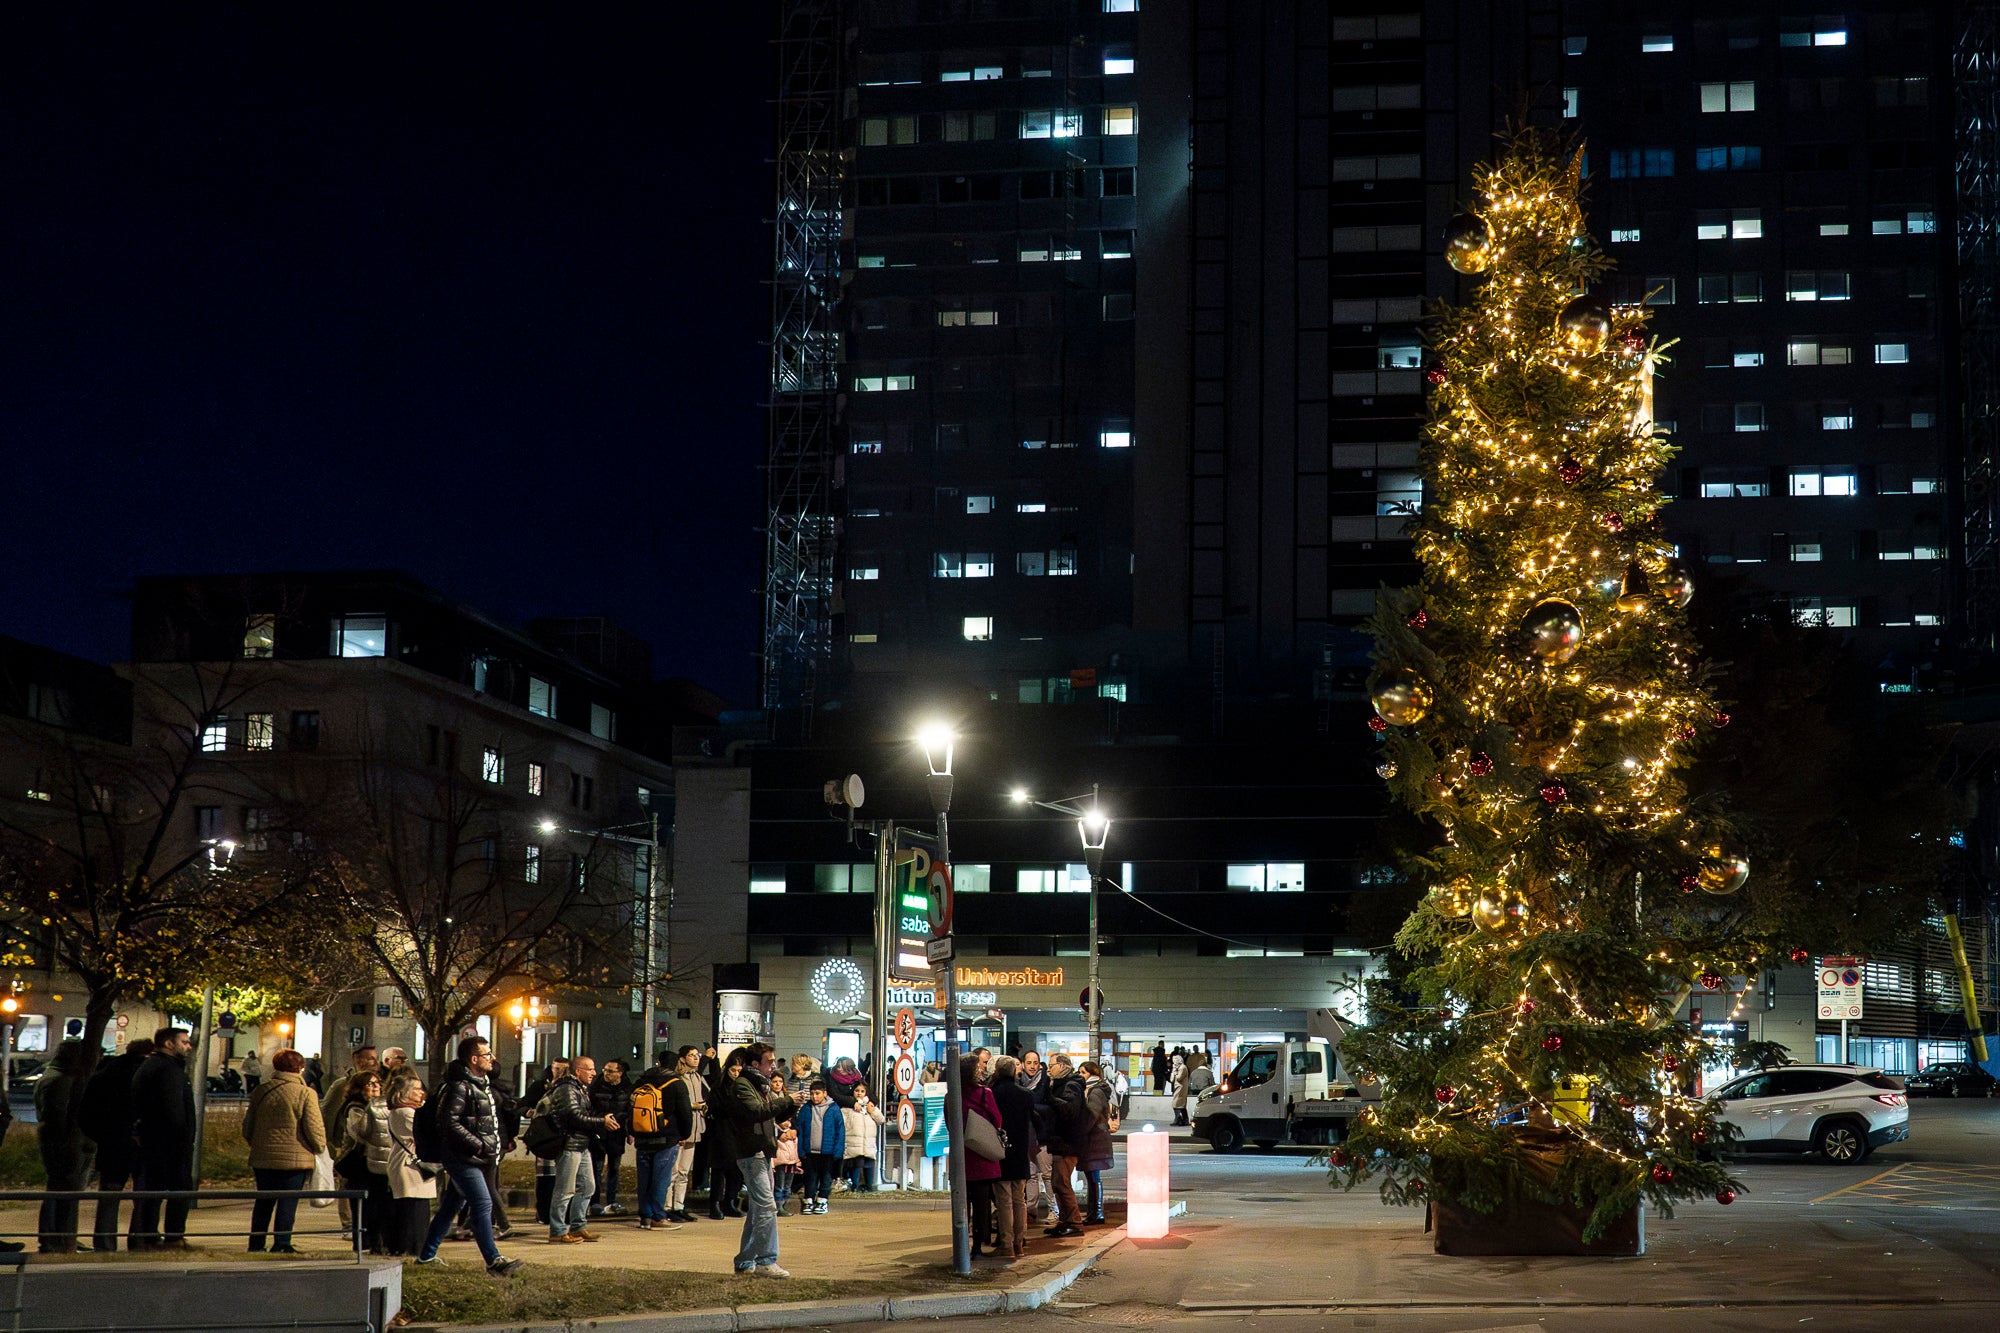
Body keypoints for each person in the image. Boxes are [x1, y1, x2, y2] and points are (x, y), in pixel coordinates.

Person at [416, 1036, 525, 1277]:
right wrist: (477, 1145)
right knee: (483, 1202)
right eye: (487, 1055)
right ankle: (493, 1260)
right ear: (474, 1059)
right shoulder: (459, 1086)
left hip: (477, 1157)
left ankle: (426, 1256)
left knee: (451, 1206)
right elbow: (448, 1122)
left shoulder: (480, 1083)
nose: (492, 1059)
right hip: (462, 1157)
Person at [718, 1042, 796, 1277]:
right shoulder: (744, 1085)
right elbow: (757, 1112)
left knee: (758, 1210)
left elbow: (773, 1112)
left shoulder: (759, 1084)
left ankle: (745, 1260)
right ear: (755, 1064)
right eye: (769, 1061)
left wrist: (792, 1104)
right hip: (750, 1152)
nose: (774, 1065)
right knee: (766, 1208)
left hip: (761, 1151)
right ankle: (766, 1260)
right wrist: (787, 1101)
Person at [242, 1048, 327, 1253]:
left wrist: (259, 1144)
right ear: (300, 1068)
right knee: (288, 1202)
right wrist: (320, 1147)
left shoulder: (261, 1090)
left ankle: (256, 1244)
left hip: (263, 1157)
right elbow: (314, 1126)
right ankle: (281, 1243)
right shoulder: (306, 1093)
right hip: (295, 1158)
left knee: (263, 1202)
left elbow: (248, 1127)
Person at [79, 1036, 152, 1253]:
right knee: (144, 1197)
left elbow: (85, 1115)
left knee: (109, 1198)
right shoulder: (148, 1076)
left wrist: (104, 1137)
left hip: (112, 1146)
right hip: (143, 1146)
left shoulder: (104, 1075)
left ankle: (104, 1243)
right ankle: (139, 1241)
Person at [129, 1027, 196, 1252]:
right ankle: (172, 1237)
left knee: (155, 1190)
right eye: (184, 1042)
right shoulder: (168, 1070)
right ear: (169, 1044)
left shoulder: (153, 1067)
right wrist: (182, 1139)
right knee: (178, 1190)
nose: (188, 1046)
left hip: (155, 1140)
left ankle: (150, 1235)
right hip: (169, 1143)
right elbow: (173, 1109)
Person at [545, 1055, 617, 1243]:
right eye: (590, 1069)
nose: (594, 1073)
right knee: (565, 1189)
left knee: (587, 1186)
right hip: (570, 1144)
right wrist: (602, 1121)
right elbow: (574, 1116)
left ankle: (578, 1226)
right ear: (578, 1071)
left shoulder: (579, 1088)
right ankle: (558, 1230)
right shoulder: (567, 1089)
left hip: (581, 1144)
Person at [35, 1040, 92, 1253]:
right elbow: (58, 1117)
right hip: (61, 1142)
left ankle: (59, 1236)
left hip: (58, 1140)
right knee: (60, 1188)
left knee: (60, 1188)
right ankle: (54, 1238)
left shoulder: (55, 1077)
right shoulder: (60, 1080)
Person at [338, 1070, 394, 1253]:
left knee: (378, 1204)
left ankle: (378, 1241)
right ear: (359, 1088)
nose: (376, 1087)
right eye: (371, 1084)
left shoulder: (380, 1106)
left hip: (375, 1161)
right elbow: (360, 1133)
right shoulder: (355, 1107)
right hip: (360, 1162)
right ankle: (362, 1243)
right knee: (362, 1206)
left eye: (378, 1083)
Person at [628, 1050, 683, 1230]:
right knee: (661, 1179)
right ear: (676, 1065)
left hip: (642, 1136)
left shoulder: (642, 1080)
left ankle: (645, 1216)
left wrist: (631, 1130)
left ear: (658, 1062)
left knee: (644, 1179)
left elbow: (630, 1107)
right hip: (666, 1138)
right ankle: (658, 1217)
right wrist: (683, 1134)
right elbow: (685, 1113)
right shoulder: (676, 1084)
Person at [990, 1055, 1038, 1260]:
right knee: (1020, 1199)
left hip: (1000, 1149)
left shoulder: (992, 1093)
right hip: (1020, 1150)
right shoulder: (1026, 1094)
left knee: (1004, 1201)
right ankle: (1019, 1243)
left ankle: (1006, 1244)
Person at [384, 1079, 436, 1256]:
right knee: (412, 1209)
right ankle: (411, 1248)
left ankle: (414, 1246)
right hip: (409, 1166)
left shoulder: (406, 1111)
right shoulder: (405, 1113)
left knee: (417, 1208)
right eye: (417, 1089)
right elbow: (425, 1133)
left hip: (410, 1165)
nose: (422, 1093)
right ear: (403, 1092)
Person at [962, 1053, 1004, 1258]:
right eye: (978, 1067)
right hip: (982, 1155)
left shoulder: (950, 1095)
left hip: (962, 1155)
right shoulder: (984, 1093)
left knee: (963, 1204)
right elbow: (997, 1119)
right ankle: (978, 1246)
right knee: (981, 1204)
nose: (981, 1070)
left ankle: (961, 1244)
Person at [1041, 1054, 1086, 1239]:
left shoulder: (1070, 1085)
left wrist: (1050, 1098)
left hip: (1067, 1142)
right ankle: (1065, 1221)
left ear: (1062, 1066)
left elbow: (1069, 1111)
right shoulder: (1062, 1084)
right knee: (1057, 1184)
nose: (1049, 1069)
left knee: (1061, 1183)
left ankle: (1074, 1222)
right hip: (1061, 1141)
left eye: (1052, 1065)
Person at [523, 1059, 568, 1226]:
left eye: (563, 1069)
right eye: (556, 1068)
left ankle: (560, 1216)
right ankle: (543, 1213)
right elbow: (523, 1104)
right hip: (545, 1137)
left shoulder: (568, 1087)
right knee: (545, 1178)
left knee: (562, 1179)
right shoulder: (540, 1086)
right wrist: (528, 1112)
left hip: (562, 1137)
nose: (559, 1072)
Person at [665, 1045, 707, 1223]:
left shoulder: (698, 1077)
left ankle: (679, 1206)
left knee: (683, 1172)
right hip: (681, 1130)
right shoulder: (678, 1078)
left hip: (696, 1128)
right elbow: (677, 1103)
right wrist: (694, 1105)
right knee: (672, 1171)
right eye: (691, 1055)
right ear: (682, 1058)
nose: (696, 1058)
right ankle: (667, 1207)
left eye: (697, 1055)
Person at [589, 1058, 633, 1217]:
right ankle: (594, 1203)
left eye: (610, 1071)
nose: (606, 1073)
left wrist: (630, 1131)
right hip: (600, 1133)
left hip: (617, 1134)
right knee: (597, 1169)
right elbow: (590, 1108)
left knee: (614, 1168)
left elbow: (630, 1112)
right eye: (605, 1070)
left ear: (620, 1073)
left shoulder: (627, 1088)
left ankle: (611, 1201)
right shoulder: (596, 1086)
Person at [794, 1079, 845, 1215]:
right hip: (809, 1152)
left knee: (826, 1177)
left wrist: (837, 1151)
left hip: (827, 1152)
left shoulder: (834, 1109)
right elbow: (801, 1130)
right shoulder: (806, 1109)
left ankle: (822, 1200)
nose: (814, 1097)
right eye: (812, 1094)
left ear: (825, 1093)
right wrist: (801, 1150)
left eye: (817, 1093)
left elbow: (840, 1132)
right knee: (810, 1177)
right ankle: (808, 1200)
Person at [1077, 1061, 1116, 1224]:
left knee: (1093, 1176)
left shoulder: (1095, 1092)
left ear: (1092, 1074)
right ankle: (1094, 1212)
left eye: (1083, 1072)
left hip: (1095, 1140)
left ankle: (1097, 1212)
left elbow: (1091, 1115)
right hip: (1094, 1139)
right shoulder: (1092, 1090)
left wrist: (1081, 1131)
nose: (1080, 1076)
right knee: (1091, 1176)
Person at [841, 1084, 884, 1193]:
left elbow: (881, 1120)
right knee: (855, 1164)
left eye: (862, 1091)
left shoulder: (871, 1106)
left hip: (868, 1143)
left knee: (869, 1164)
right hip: (853, 1143)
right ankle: (855, 1186)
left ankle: (868, 1187)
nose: (859, 1093)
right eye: (857, 1090)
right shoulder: (847, 1108)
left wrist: (872, 1111)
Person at [769, 1075, 801, 1212]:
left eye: (780, 1081)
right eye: (774, 1081)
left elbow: (793, 1118)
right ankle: (778, 1205)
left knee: (788, 1182)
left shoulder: (788, 1098)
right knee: (779, 1182)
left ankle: (785, 1204)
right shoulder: (768, 1098)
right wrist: (779, 1133)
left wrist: (794, 1130)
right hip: (778, 1148)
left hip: (790, 1148)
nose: (777, 1084)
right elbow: (771, 1120)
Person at [1170, 1054, 1190, 1127]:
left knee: (1177, 1103)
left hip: (1181, 1088)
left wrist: (1175, 1072)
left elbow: (1179, 1078)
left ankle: (1178, 1119)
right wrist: (1174, 1071)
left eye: (1175, 1060)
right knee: (1178, 1104)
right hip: (1176, 1087)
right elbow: (1171, 1079)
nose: (1174, 1062)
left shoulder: (1183, 1068)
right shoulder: (1176, 1068)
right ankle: (1183, 1119)